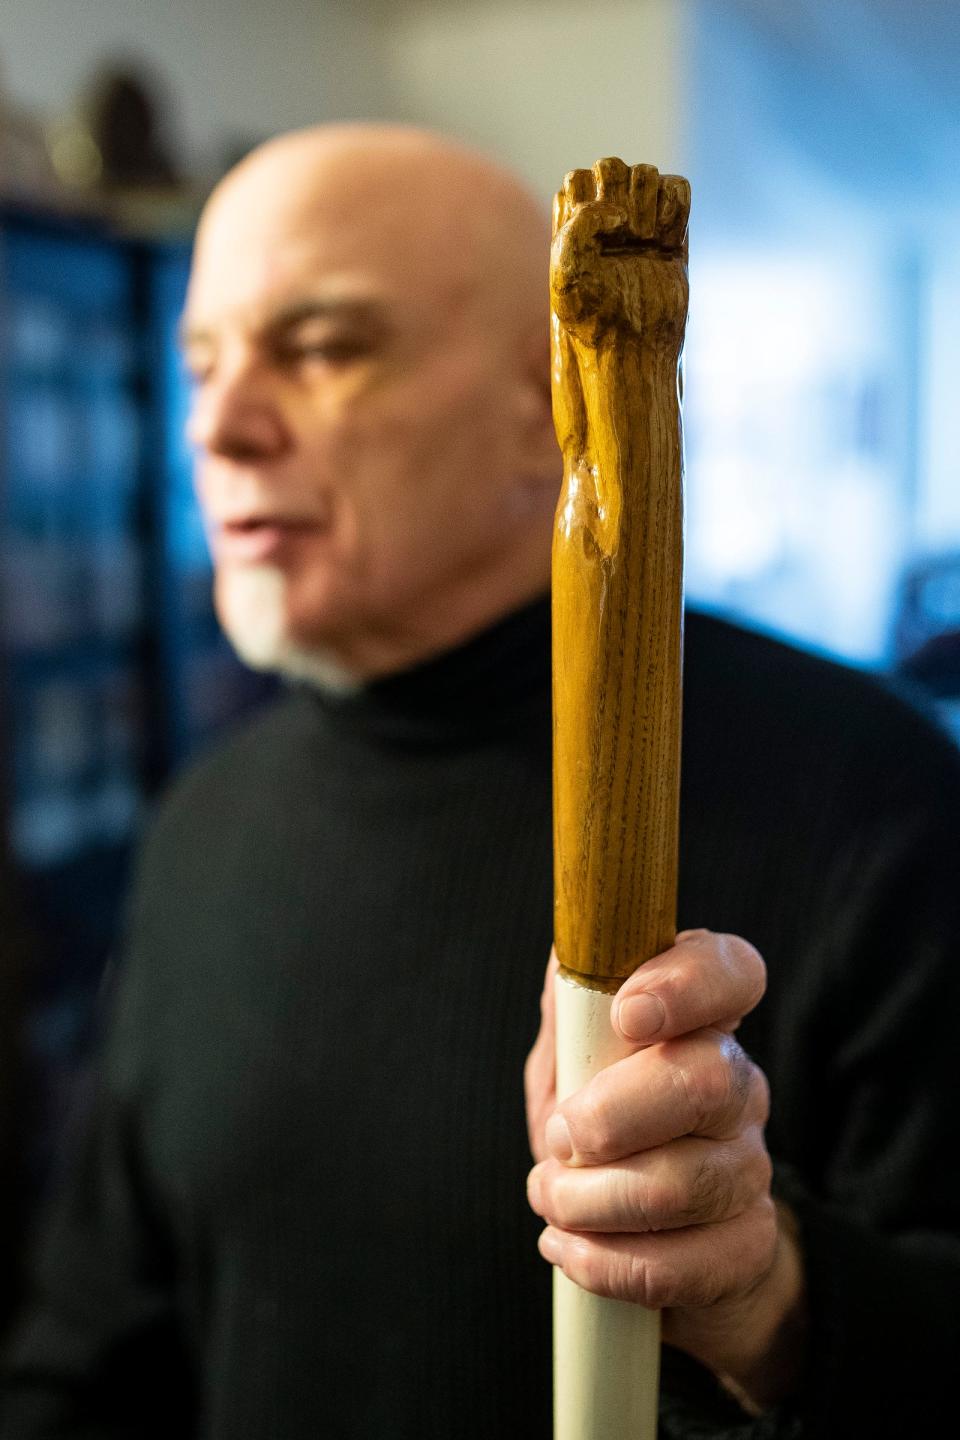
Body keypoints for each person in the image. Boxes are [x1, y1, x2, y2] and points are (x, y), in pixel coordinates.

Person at [2, 124, 959, 1439]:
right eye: (202, 362)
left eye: (326, 346)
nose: (218, 426)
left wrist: (771, 1300)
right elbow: (97, 1341)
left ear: (546, 398)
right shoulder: (205, 825)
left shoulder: (876, 799)